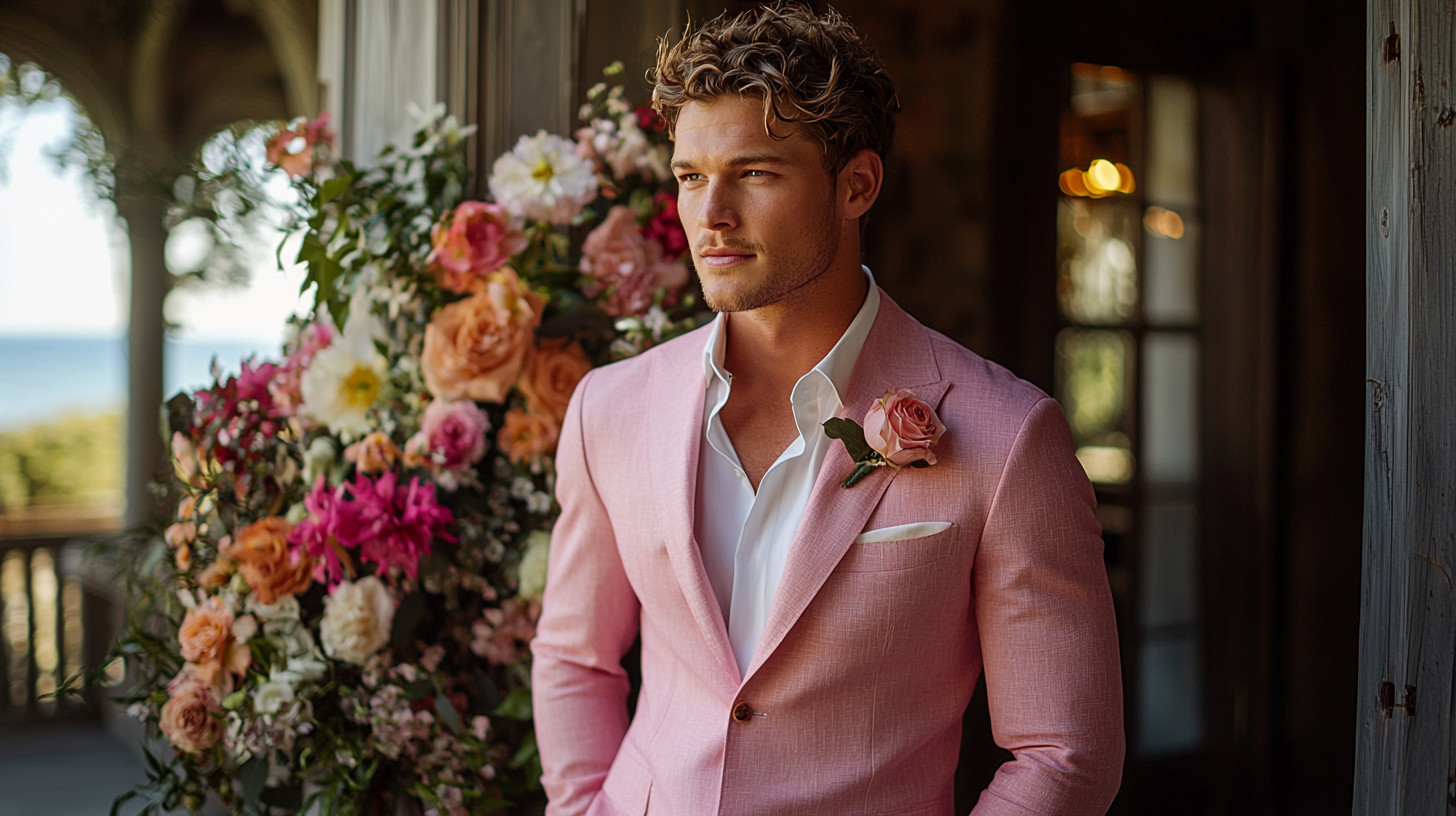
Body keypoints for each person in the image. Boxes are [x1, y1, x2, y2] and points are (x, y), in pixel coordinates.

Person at [530, 5, 1124, 815]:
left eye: (756, 173)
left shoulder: (1009, 435)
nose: (711, 216)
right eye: (691, 176)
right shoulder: (610, 408)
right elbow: (575, 656)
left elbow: (1065, 751)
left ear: (857, 184)